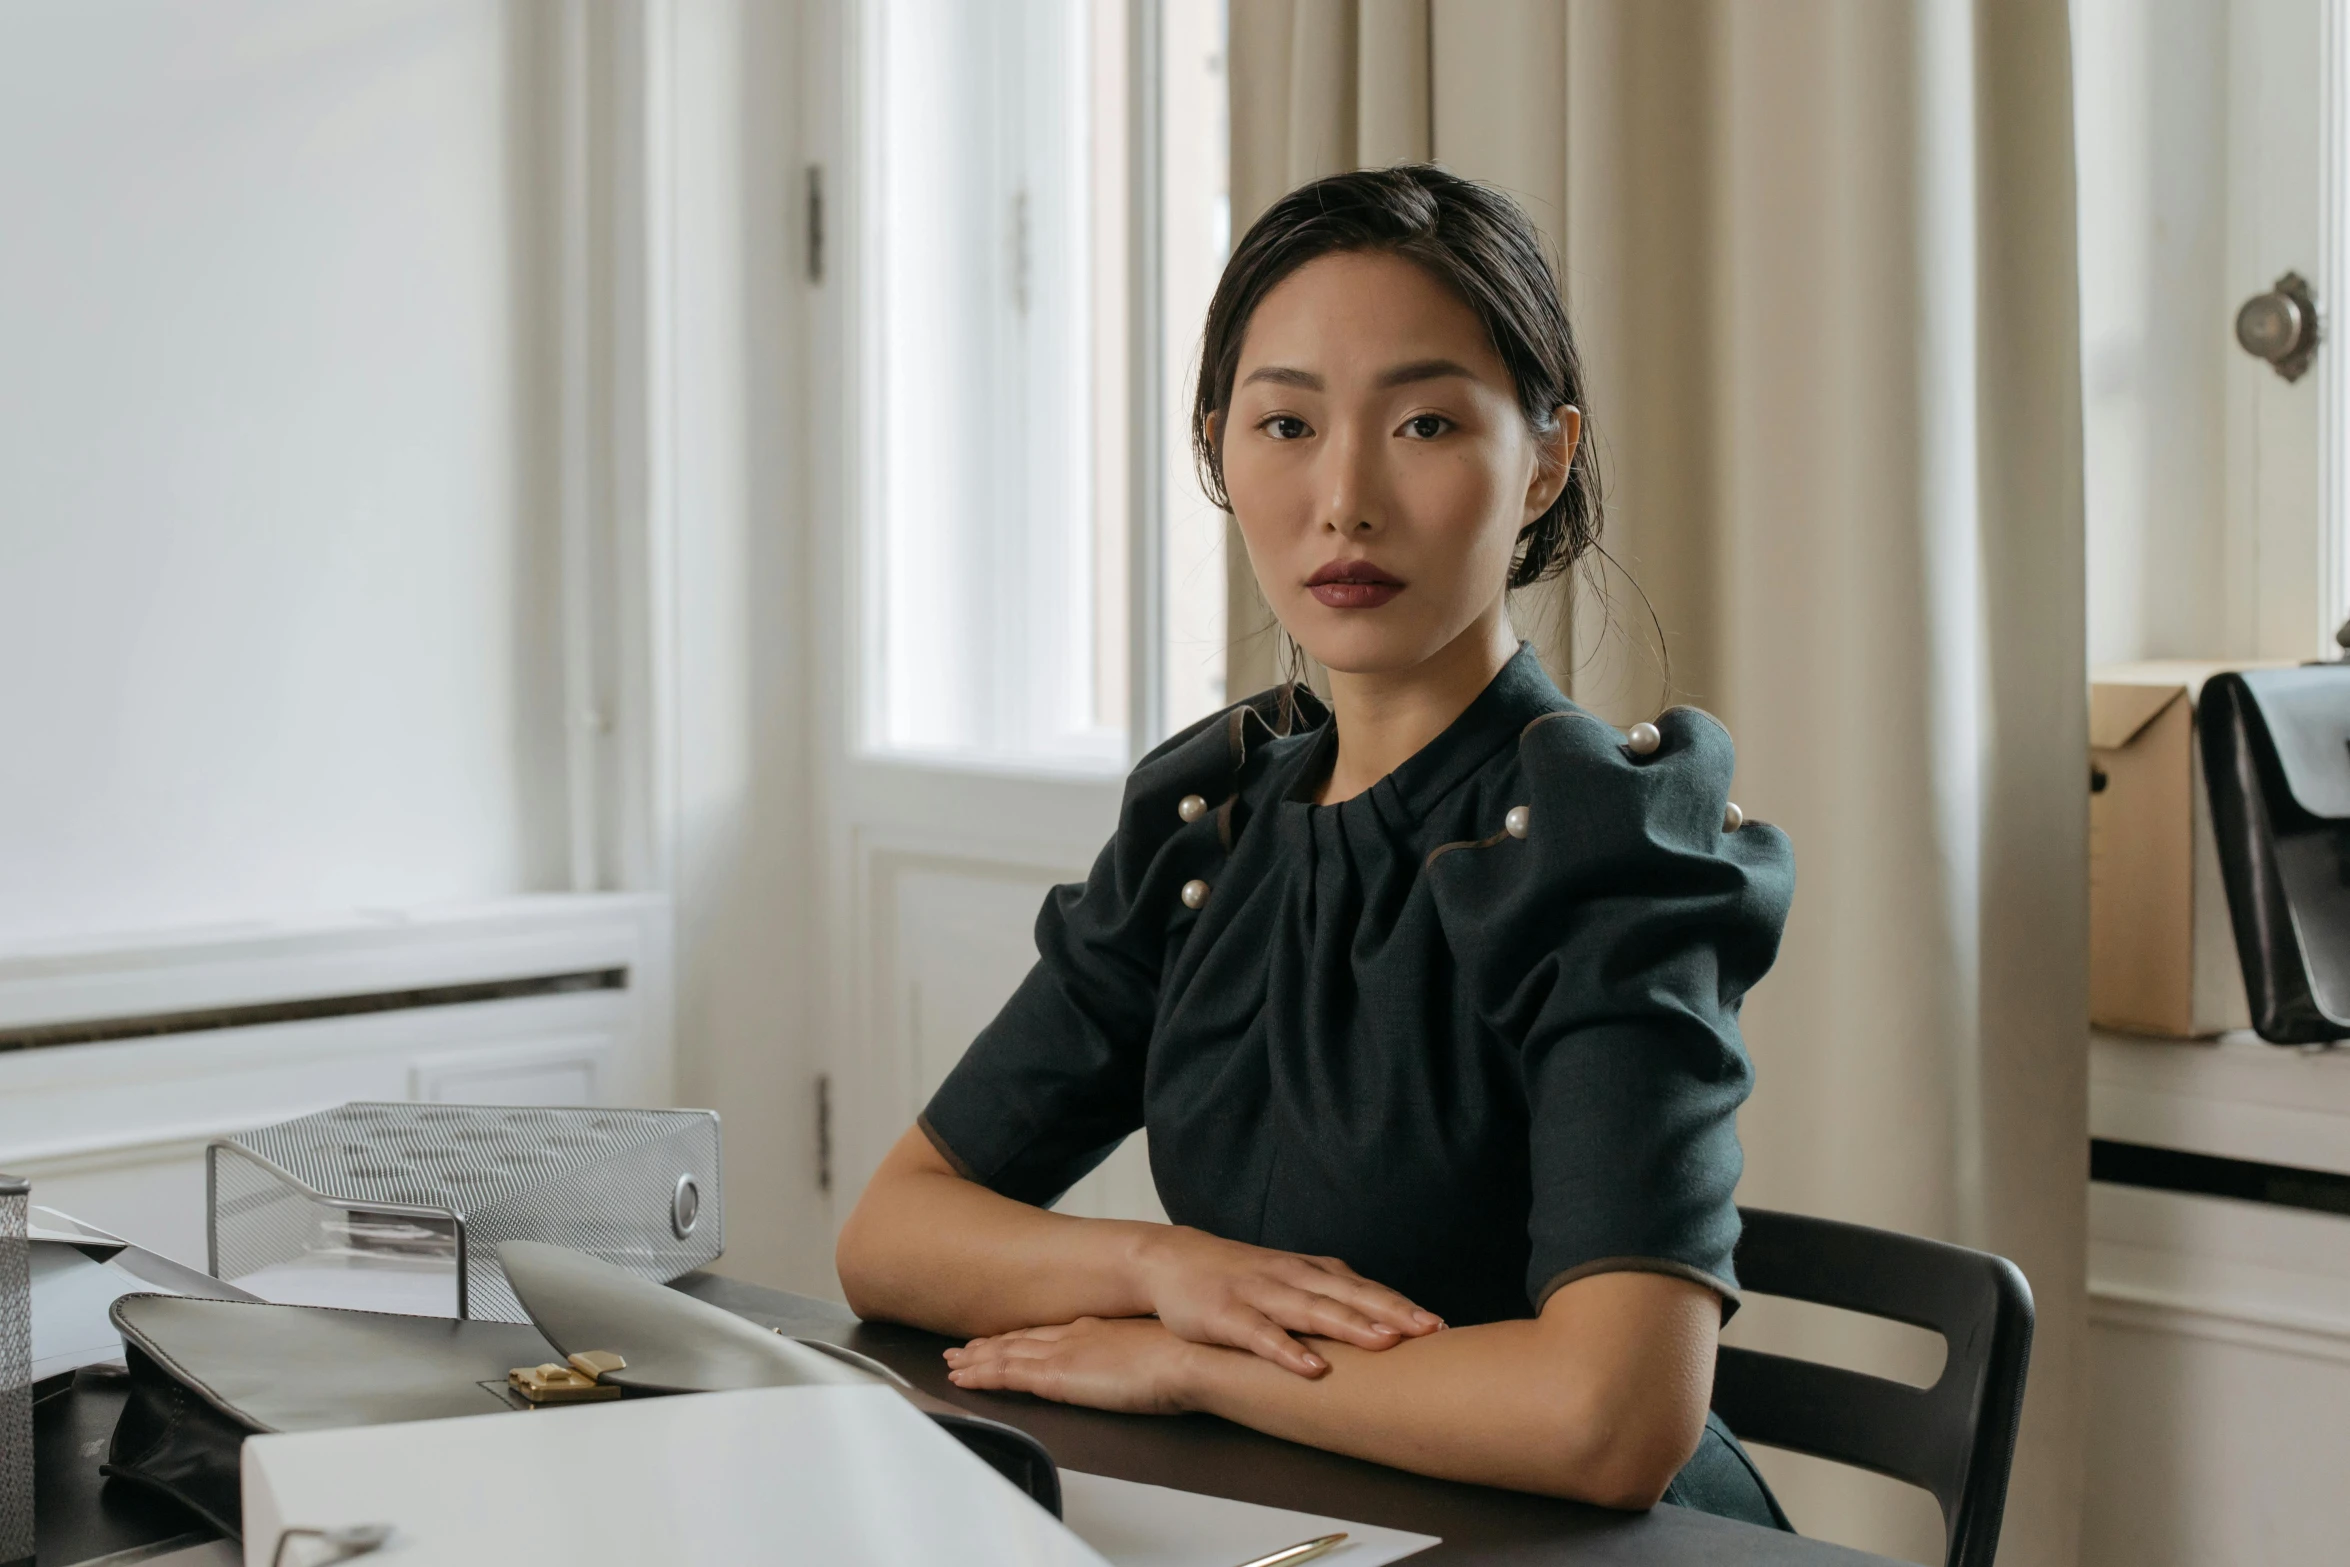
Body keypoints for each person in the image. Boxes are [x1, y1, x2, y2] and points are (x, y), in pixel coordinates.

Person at [835, 164, 1796, 1526]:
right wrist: (1166, 1269)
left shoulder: (1599, 853)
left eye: (1422, 423)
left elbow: (1610, 1417)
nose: (1342, 499)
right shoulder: (1206, 831)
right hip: (1286, 1520)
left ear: (1545, 459)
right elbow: (896, 1233)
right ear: (1219, 449)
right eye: (1285, 422)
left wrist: (1200, 1366)